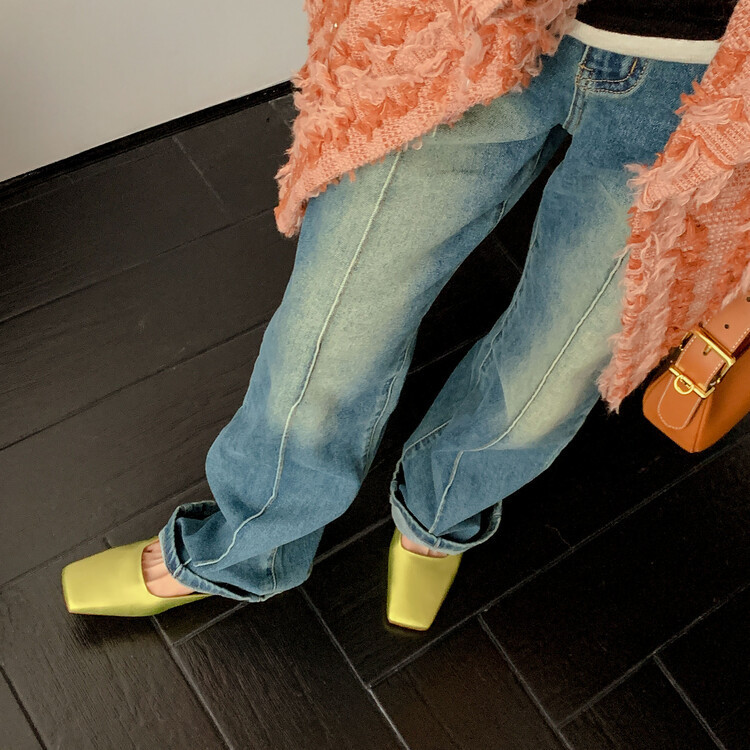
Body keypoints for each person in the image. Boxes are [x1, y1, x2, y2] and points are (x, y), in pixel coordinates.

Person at [61, 0, 747, 630]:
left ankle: (442, 507)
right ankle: (250, 542)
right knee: (333, 319)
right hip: (472, 22)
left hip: (712, 78)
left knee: (561, 361)